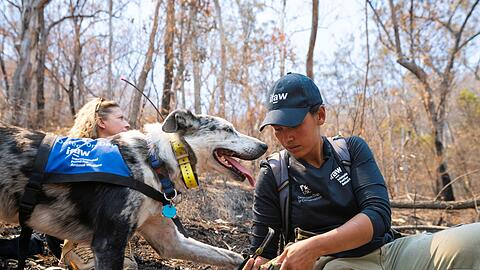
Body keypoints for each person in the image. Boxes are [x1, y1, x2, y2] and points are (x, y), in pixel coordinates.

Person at [243, 73, 480, 270]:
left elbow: (378, 215)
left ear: (320, 115)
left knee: (474, 239)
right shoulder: (274, 173)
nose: (287, 137)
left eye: (294, 125)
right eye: (278, 129)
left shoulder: (351, 149)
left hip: (389, 253)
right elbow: (264, 251)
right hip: (331, 265)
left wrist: (315, 245)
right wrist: (262, 262)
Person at [60, 97, 135, 270]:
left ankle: (118, 243)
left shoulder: (129, 157)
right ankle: (73, 249)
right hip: (74, 233)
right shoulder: (75, 152)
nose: (127, 124)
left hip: (113, 233)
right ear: (101, 122)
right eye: (120, 118)